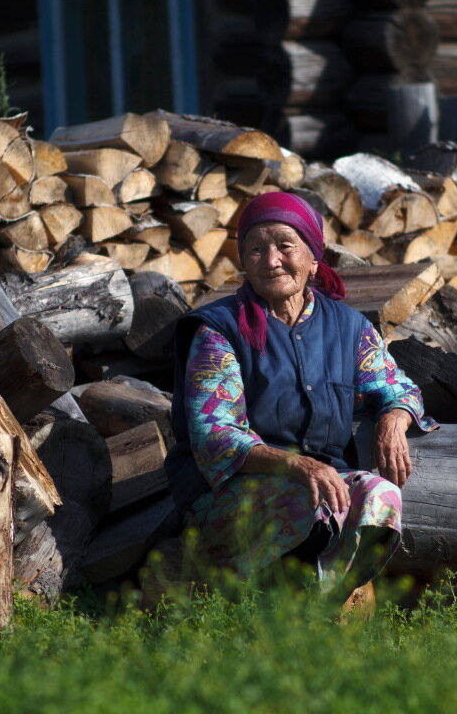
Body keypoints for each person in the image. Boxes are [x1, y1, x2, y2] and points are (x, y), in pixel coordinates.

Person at [164, 191, 435, 599]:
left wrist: (393, 419)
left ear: (313, 258)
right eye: (256, 249)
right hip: (230, 496)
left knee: (382, 493)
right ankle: (268, 603)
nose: (271, 260)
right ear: (243, 262)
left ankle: (325, 602)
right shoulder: (219, 330)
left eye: (284, 246)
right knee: (312, 502)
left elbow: (397, 386)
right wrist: (298, 466)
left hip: (321, 490)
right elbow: (215, 434)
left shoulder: (347, 327)